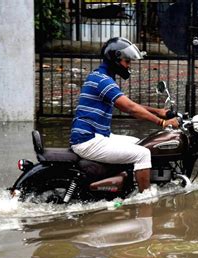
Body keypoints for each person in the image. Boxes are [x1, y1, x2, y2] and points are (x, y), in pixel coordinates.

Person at [70, 37, 179, 193]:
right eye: (127, 62)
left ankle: (127, 186)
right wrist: (162, 123)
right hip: (89, 140)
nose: (129, 66)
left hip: (99, 136)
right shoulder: (102, 80)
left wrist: (158, 112)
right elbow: (130, 108)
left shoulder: (101, 77)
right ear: (115, 59)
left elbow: (127, 104)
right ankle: (145, 198)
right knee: (143, 154)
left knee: (140, 143)